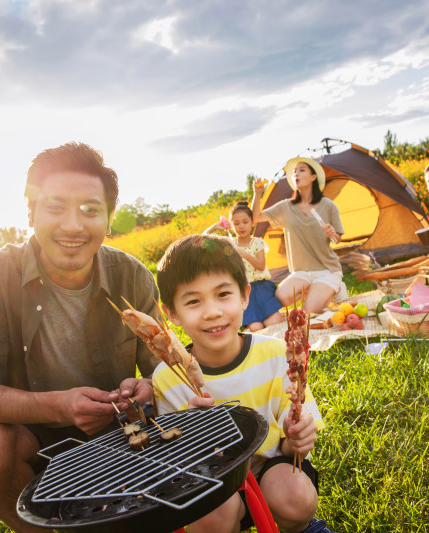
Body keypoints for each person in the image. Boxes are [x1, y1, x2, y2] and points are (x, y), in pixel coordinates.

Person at [0, 142, 160, 533]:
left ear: (108, 218)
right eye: (55, 207)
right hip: (37, 435)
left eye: (90, 210)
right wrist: (60, 407)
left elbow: (163, 371)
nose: (72, 225)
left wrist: (149, 386)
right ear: (30, 212)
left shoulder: (132, 276)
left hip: (121, 424)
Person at [154, 234, 333, 533]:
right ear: (171, 313)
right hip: (212, 481)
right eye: (194, 301)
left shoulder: (275, 355)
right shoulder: (168, 377)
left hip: (270, 470)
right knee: (210, 518)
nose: (212, 311)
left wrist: (297, 438)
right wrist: (190, 432)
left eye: (223, 294)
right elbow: (175, 466)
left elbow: (293, 448)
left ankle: (304, 527)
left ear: (245, 296)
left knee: (296, 497)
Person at [252, 157, 344, 314]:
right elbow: (255, 218)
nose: (296, 174)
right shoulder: (285, 207)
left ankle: (334, 287)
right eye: (294, 172)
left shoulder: (328, 205)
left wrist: (332, 234)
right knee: (281, 297)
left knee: (308, 312)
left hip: (327, 270)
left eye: (302, 170)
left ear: (313, 177)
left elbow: (337, 239)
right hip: (301, 273)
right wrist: (257, 194)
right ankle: (316, 292)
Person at [203, 201, 283, 331]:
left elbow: (261, 266)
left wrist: (242, 253)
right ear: (231, 225)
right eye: (236, 223)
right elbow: (203, 240)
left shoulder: (257, 242)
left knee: (274, 323)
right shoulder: (229, 243)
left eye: (245, 222)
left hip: (263, 289)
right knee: (256, 328)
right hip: (245, 292)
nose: (241, 226)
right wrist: (215, 227)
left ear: (252, 222)